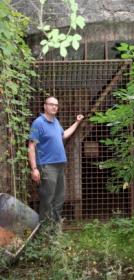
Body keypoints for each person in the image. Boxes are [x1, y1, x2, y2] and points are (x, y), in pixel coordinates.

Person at [28, 96, 84, 224]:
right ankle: (45, 232)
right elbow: (31, 146)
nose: (54, 107)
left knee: (59, 199)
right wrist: (34, 169)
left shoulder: (55, 122)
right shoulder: (38, 123)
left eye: (56, 105)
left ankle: (55, 229)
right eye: (51, 104)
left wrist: (77, 122)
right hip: (47, 166)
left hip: (60, 166)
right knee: (47, 199)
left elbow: (63, 135)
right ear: (45, 106)